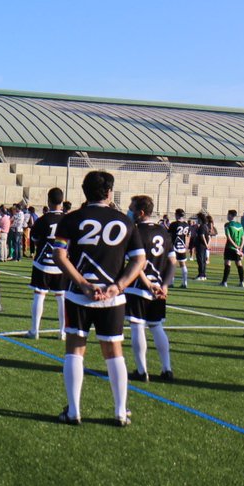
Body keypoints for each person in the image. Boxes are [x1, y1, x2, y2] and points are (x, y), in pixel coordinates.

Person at [51, 170, 146, 426]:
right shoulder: (125, 222)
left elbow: (59, 255)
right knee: (114, 352)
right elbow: (139, 260)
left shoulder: (71, 219)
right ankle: (119, 411)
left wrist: (82, 283)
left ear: (84, 191)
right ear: (109, 192)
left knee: (75, 349)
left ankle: (74, 411)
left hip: (78, 296)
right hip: (113, 298)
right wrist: (119, 286)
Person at [125, 195, 175, 382]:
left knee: (137, 326)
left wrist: (147, 284)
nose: (129, 211)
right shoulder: (163, 231)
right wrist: (165, 286)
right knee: (156, 326)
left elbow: (135, 263)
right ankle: (167, 368)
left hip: (139, 286)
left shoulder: (135, 231)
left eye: (131, 208)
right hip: (159, 288)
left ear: (141, 212)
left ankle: (141, 370)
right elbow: (172, 262)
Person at [27, 187, 68, 339]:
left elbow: (35, 240)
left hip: (42, 263)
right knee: (61, 297)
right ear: (61, 201)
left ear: (48, 201)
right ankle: (62, 332)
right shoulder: (68, 220)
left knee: (39, 295)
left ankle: (34, 330)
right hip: (62, 265)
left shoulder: (42, 220)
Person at [220, 209, 244, 287]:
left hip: (230, 247)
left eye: (228, 214)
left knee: (227, 263)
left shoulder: (227, 224)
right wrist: (240, 247)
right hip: (237, 248)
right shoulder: (240, 225)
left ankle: (224, 282)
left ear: (230, 215)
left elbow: (229, 237)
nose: (227, 216)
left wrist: (234, 245)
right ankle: (242, 282)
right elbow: (243, 238)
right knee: (239, 264)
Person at [169, 210, 191, 289]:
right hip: (182, 246)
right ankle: (185, 283)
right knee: (183, 264)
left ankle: (171, 282)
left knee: (172, 264)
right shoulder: (186, 225)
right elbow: (187, 236)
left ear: (177, 215)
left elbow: (169, 235)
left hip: (174, 246)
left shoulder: (174, 224)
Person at [193, 212, 213, 280]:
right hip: (203, 246)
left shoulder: (202, 227)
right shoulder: (206, 226)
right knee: (203, 260)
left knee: (200, 260)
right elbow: (209, 236)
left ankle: (201, 275)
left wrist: (206, 244)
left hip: (200, 245)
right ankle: (203, 275)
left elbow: (202, 236)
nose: (197, 220)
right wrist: (207, 245)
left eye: (198, 219)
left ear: (200, 219)